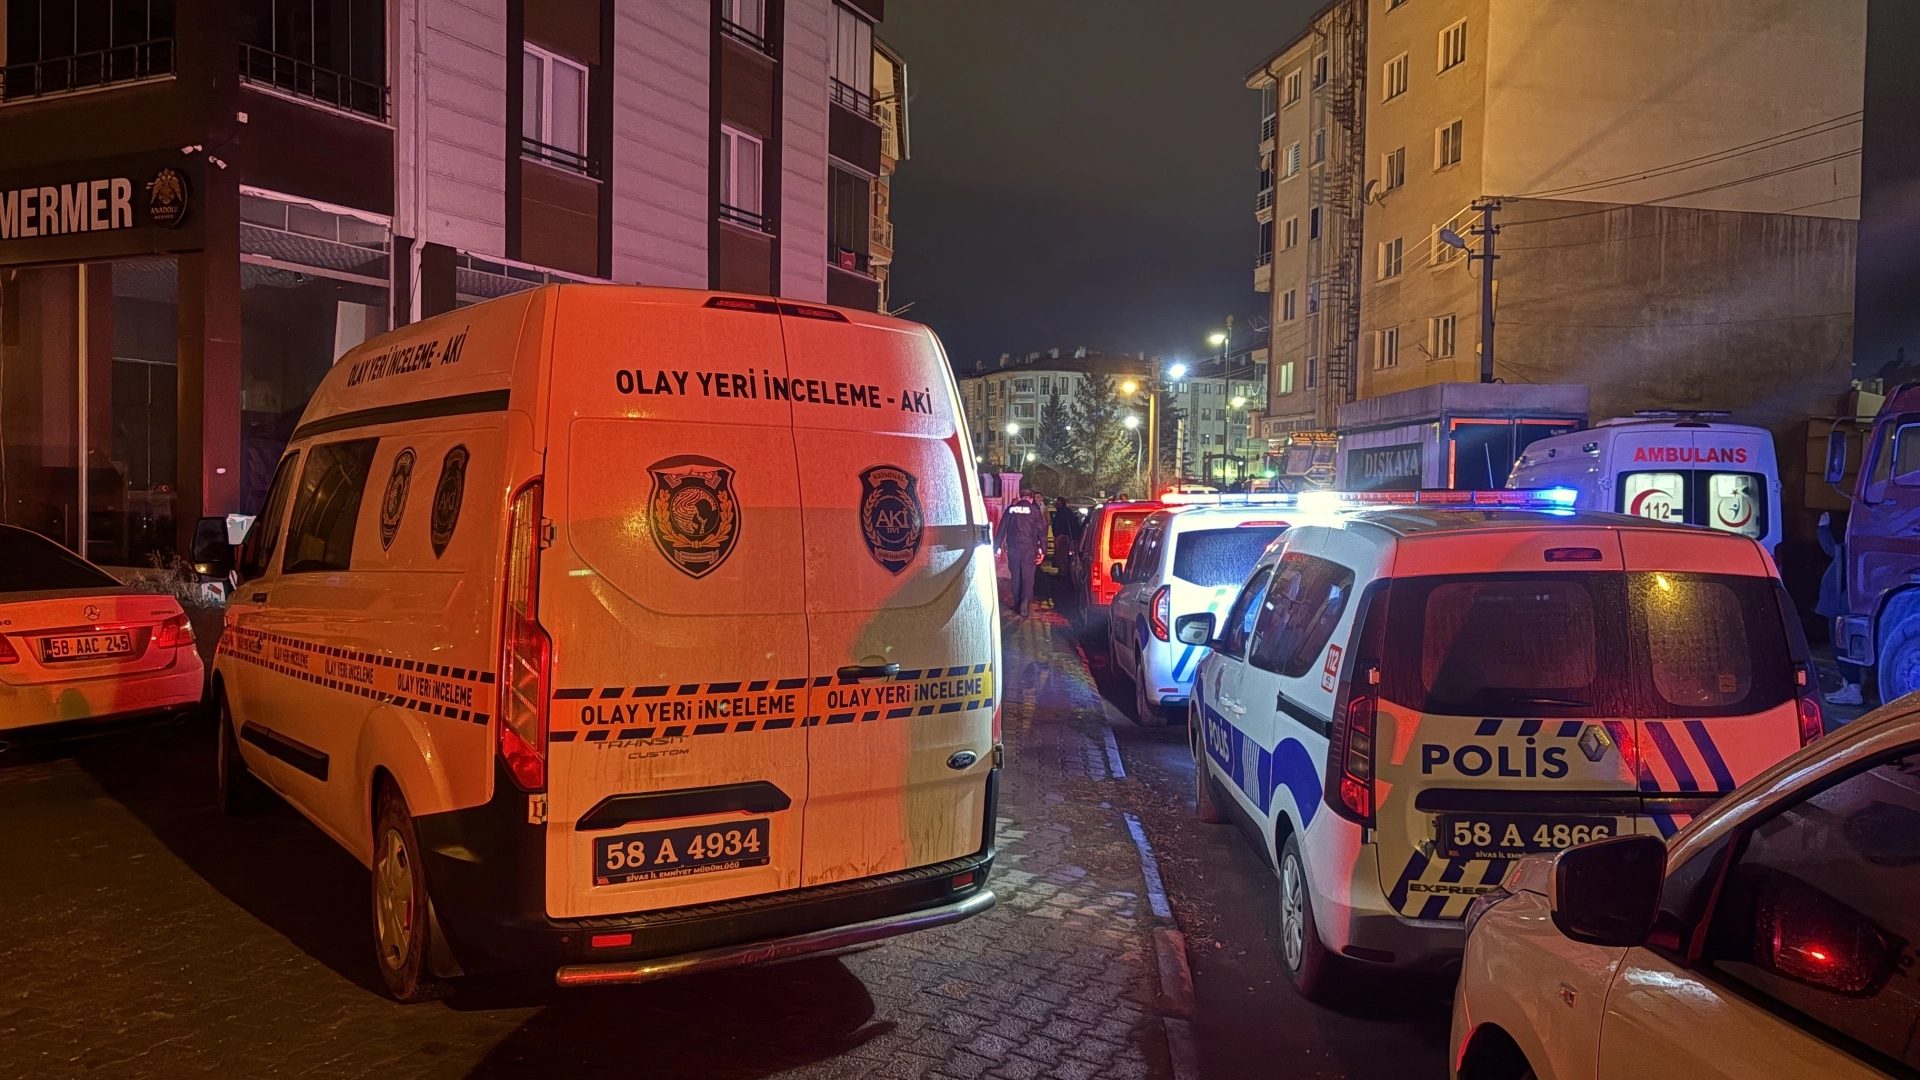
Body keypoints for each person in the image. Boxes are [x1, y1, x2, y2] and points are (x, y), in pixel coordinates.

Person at [1818, 511, 1863, 705]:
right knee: (1842, 647)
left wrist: (1822, 528)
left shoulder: (1850, 547)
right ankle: (1850, 686)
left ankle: (1853, 690)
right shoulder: (1855, 547)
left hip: (1840, 606)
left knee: (1841, 647)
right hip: (1840, 604)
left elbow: (1830, 548)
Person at [996, 488, 1047, 617]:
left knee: (1016, 576)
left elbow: (1002, 529)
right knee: (1028, 578)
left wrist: (996, 547)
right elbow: (1042, 532)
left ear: (1020, 497)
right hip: (1029, 550)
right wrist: (1043, 551)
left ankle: (1017, 603)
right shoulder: (1035, 511)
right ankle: (1024, 607)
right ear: (1031, 499)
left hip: (1013, 548)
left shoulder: (1011, 510)